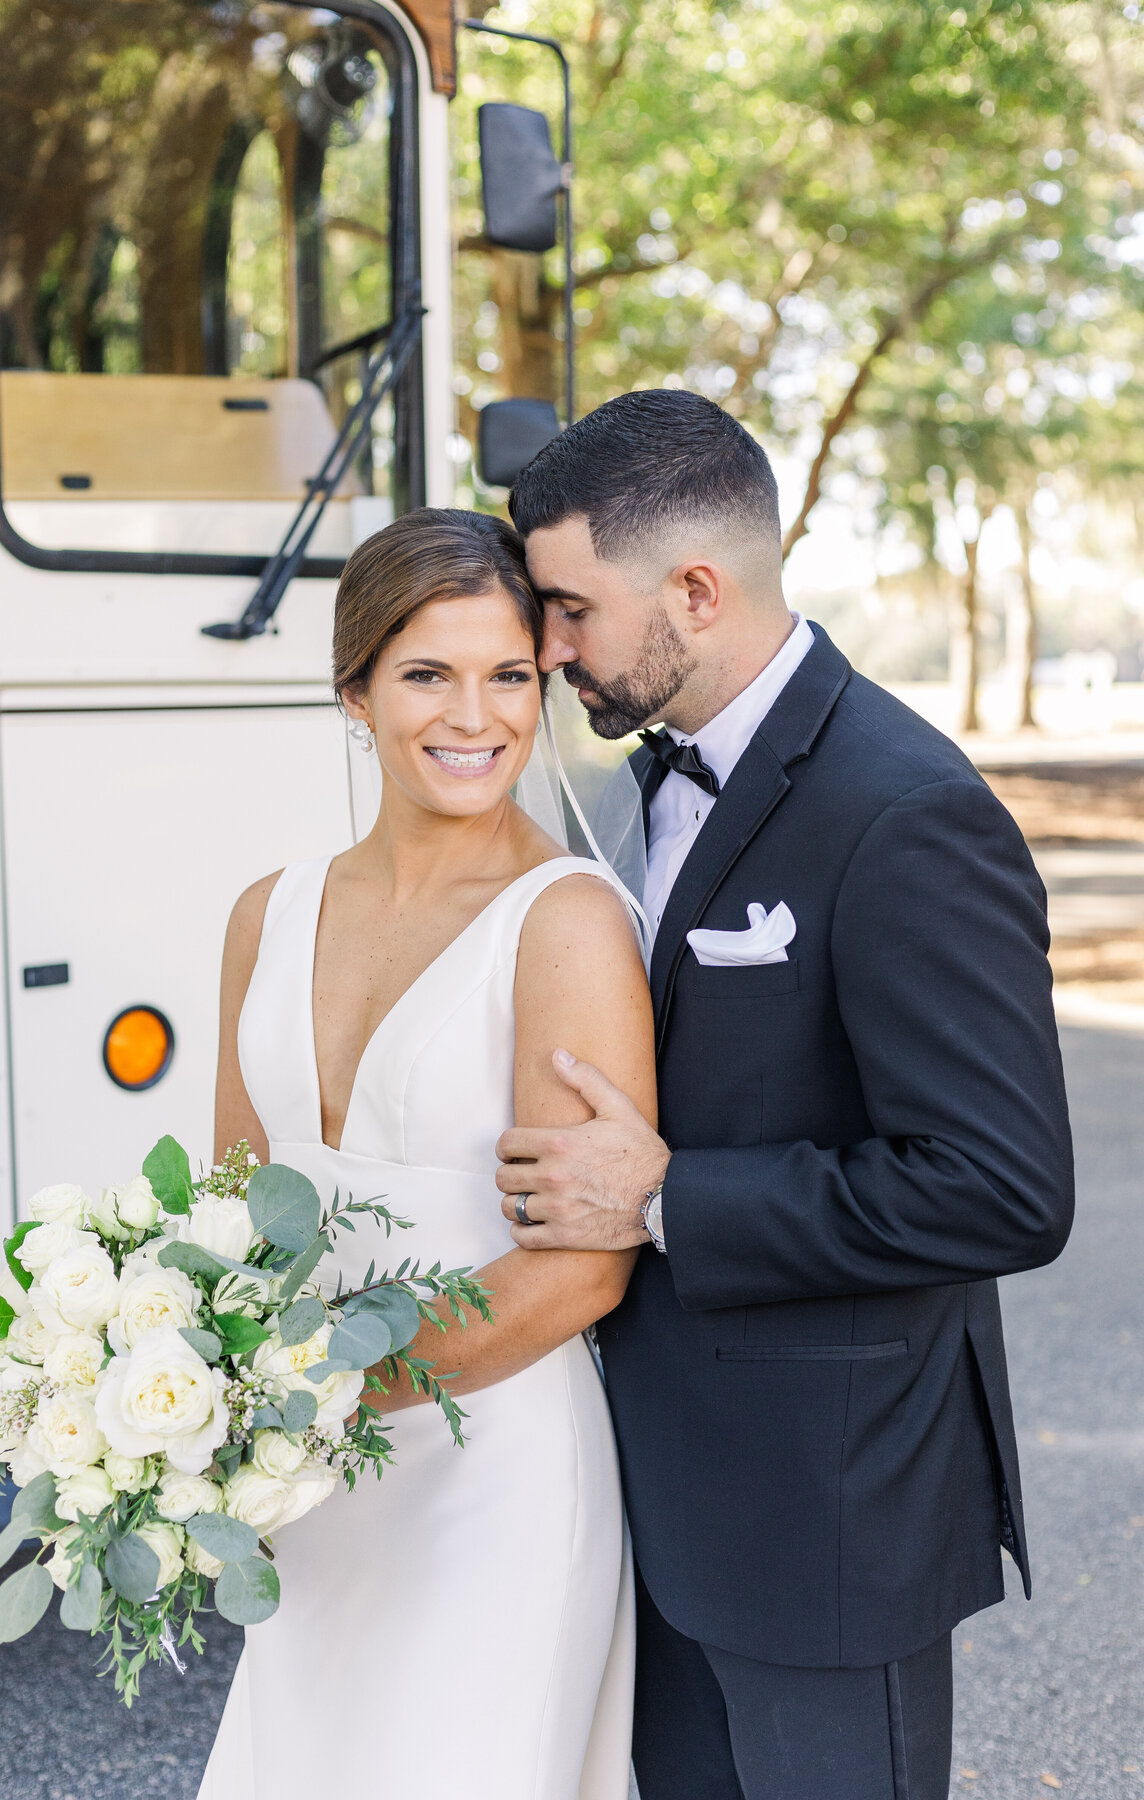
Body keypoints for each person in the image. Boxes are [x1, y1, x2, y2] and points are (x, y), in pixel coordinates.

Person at [497, 389, 1075, 1800]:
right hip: (655, 1499)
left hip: (828, 1513)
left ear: (697, 590)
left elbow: (1002, 1186)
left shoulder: (906, 810)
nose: (546, 647)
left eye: (569, 608)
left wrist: (664, 1196)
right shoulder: (651, 772)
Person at [198, 510, 655, 1799]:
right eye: (426, 674)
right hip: (309, 1488)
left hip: (488, 1473)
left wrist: (323, 1397)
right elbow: (228, 1207)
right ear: (356, 691)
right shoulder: (267, 913)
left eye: (510, 674)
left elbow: (583, 1274)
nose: (478, 716)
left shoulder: (563, 923)